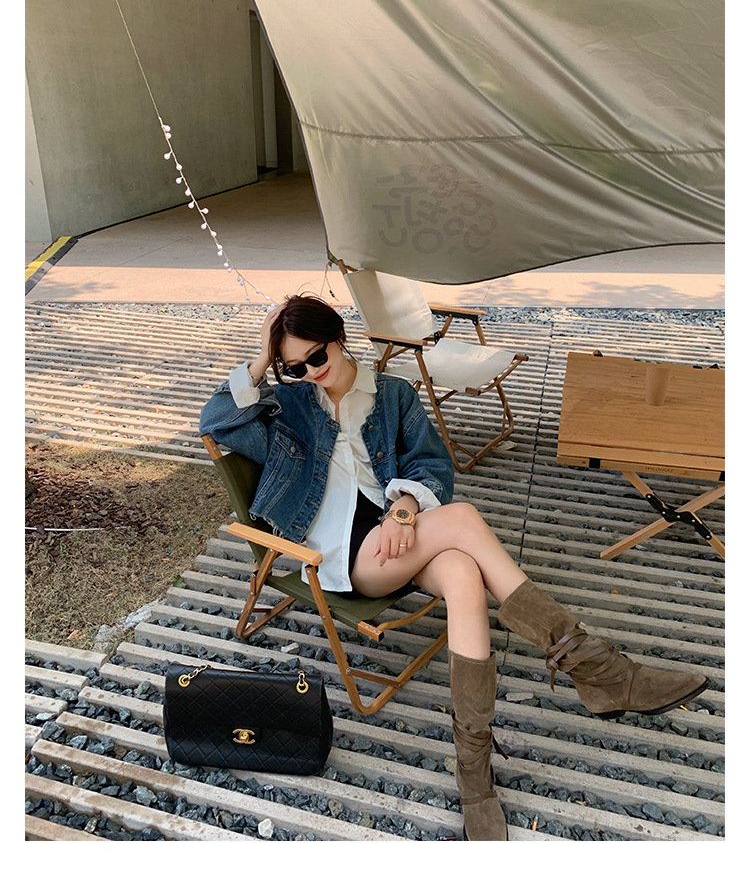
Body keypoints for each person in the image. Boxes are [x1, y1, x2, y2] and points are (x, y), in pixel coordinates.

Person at [199, 294, 708, 842]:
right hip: (341, 556)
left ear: (338, 339)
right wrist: (262, 358)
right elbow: (216, 421)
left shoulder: (393, 394)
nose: (309, 372)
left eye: (316, 356)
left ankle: (473, 769)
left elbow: (431, 464)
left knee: (464, 574)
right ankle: (599, 671)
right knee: (463, 519)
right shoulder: (289, 406)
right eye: (294, 366)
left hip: (406, 536)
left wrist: (403, 507)